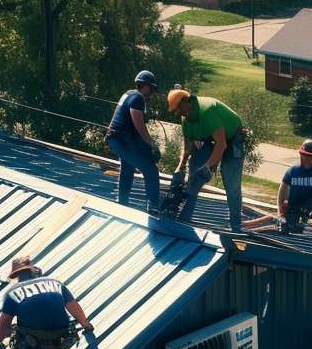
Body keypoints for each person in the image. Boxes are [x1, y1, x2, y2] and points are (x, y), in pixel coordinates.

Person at [0, 255, 93, 349]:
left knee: (14, 336)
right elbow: (73, 305)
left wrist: (0, 343)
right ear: (33, 270)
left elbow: (2, 324)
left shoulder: (13, 292)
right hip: (63, 333)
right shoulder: (55, 282)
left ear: (16, 275)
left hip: (36, 339)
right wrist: (86, 324)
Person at [166, 88, 245, 231]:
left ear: (186, 102)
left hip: (233, 138)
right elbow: (188, 147)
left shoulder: (208, 111)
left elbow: (222, 145)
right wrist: (180, 166)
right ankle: (184, 220)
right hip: (211, 140)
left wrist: (208, 166)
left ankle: (236, 225)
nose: (177, 113)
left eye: (178, 109)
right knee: (194, 177)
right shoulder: (186, 121)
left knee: (231, 182)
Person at [105, 70, 161, 212]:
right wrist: (151, 144)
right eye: (151, 88)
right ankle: (154, 209)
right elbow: (139, 125)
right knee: (151, 171)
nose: (152, 92)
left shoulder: (129, 93)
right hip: (123, 140)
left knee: (127, 168)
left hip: (117, 140)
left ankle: (122, 203)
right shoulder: (138, 98)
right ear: (143, 85)